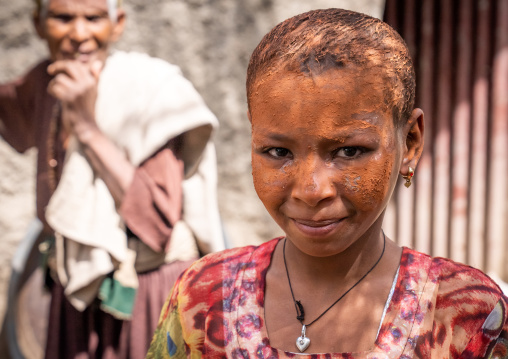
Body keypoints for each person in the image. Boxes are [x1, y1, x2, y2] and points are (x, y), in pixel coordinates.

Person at [147, 8, 508, 358]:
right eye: (277, 151)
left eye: (349, 151)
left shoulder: (468, 315)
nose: (311, 190)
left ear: (410, 143)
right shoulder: (204, 296)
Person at [0, 0, 224, 358]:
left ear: (117, 24)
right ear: (38, 25)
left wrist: (87, 126)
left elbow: (156, 223)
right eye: (62, 18)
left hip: (146, 289)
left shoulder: (150, 91)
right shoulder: (46, 82)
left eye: (93, 18)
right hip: (75, 288)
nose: (79, 34)